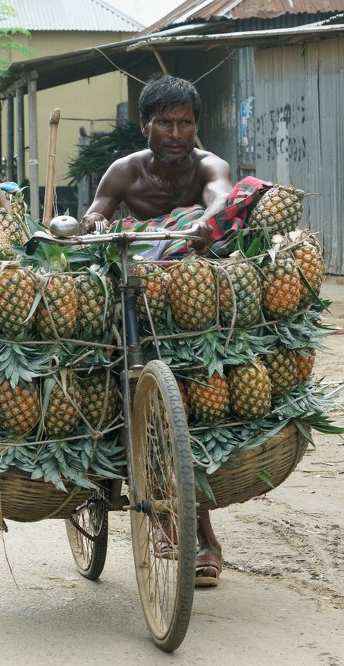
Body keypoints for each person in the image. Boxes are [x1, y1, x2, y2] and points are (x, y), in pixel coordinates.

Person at [81, 75, 244, 588]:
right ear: (145, 124)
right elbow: (95, 215)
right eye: (165, 122)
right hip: (135, 297)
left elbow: (221, 195)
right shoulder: (124, 172)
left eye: (186, 122)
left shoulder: (209, 165)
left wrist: (207, 222)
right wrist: (94, 226)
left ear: (197, 124)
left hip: (194, 303)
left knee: (195, 409)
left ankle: (203, 534)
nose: (176, 132)